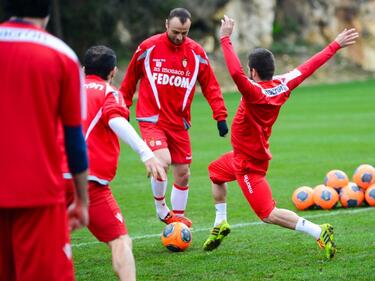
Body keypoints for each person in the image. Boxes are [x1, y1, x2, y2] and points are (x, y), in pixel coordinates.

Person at [203, 15, 359, 259]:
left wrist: (225, 38)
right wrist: (335, 44)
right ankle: (220, 222)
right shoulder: (283, 84)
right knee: (215, 172)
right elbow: (310, 66)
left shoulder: (253, 92)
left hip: (247, 164)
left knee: (267, 214)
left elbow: (234, 73)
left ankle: (319, 231)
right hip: (242, 156)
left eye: (249, 70)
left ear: (253, 71)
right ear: (272, 70)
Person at [0, 0, 89, 280]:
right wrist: (82, 200)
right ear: (48, 12)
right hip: (38, 197)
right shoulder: (61, 55)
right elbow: (75, 138)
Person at [63, 45, 166, 281]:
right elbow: (116, 120)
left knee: (40, 243)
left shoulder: (65, 90)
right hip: (89, 182)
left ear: (83, 69)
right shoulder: (110, 93)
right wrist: (146, 153)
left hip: (50, 178)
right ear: (113, 72)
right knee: (120, 241)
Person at [120, 8, 228, 228]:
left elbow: (211, 86)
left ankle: (177, 221)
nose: (179, 37)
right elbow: (130, 79)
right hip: (151, 119)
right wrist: (123, 107)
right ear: (166, 25)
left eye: (184, 33)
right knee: (162, 161)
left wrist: (220, 116)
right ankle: (162, 209)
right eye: (176, 32)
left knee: (183, 173)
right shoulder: (148, 47)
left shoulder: (196, 53)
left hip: (179, 123)